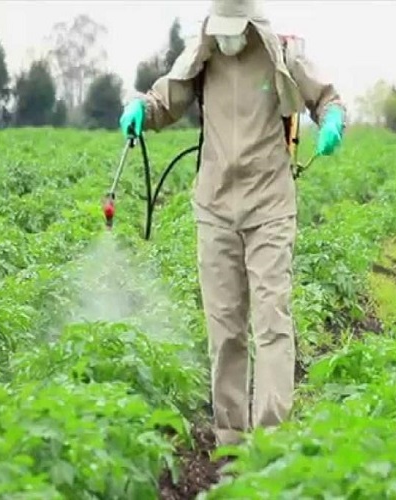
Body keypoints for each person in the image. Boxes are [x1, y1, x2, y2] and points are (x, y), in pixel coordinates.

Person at [118, 0, 346, 447]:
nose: (227, 37)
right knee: (224, 325)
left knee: (272, 320)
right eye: (220, 28)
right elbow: (168, 99)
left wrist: (333, 119)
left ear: (252, 25)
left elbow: (326, 97)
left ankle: (272, 439)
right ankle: (230, 437)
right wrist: (143, 108)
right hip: (216, 204)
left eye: (235, 28)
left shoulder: (283, 53)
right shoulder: (201, 54)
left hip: (269, 204)